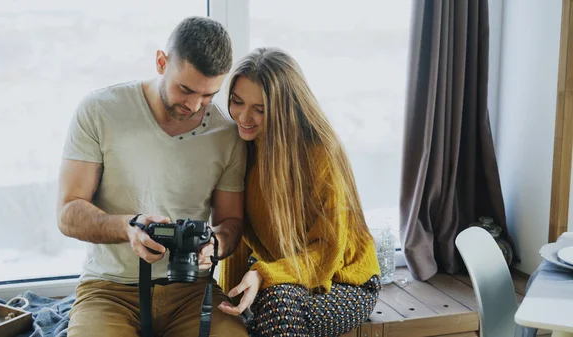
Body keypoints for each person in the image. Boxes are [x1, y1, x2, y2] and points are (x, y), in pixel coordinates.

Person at [57, 17, 248, 337]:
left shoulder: (226, 133)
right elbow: (68, 212)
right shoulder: (99, 110)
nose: (195, 106)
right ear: (161, 62)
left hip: (192, 291)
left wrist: (215, 243)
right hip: (109, 290)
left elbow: (231, 222)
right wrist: (129, 228)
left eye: (208, 96)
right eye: (185, 89)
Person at [218, 48, 382, 337]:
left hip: (345, 281)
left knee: (277, 301)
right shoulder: (242, 147)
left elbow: (328, 253)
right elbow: (239, 231)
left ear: (285, 108)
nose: (244, 117)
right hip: (284, 276)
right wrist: (231, 302)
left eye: (260, 109)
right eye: (237, 102)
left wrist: (262, 274)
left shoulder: (321, 154)